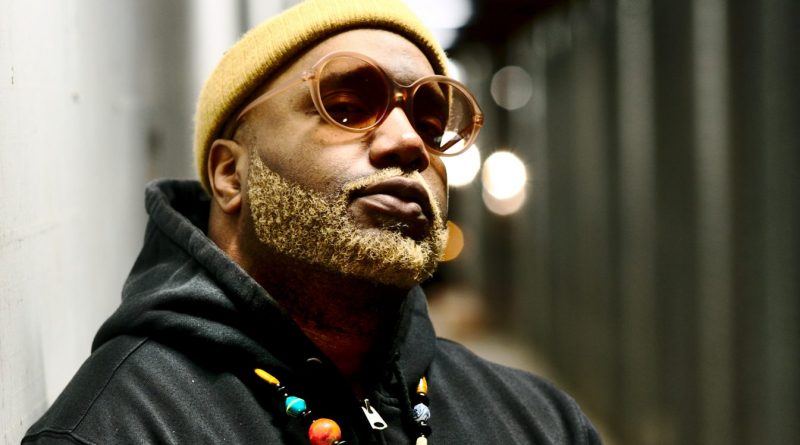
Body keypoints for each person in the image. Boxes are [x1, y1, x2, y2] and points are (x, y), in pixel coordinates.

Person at [23, 0, 601, 443]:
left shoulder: (540, 422)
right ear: (230, 175)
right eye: (346, 108)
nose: (408, 144)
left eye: (429, 124)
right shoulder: (118, 428)